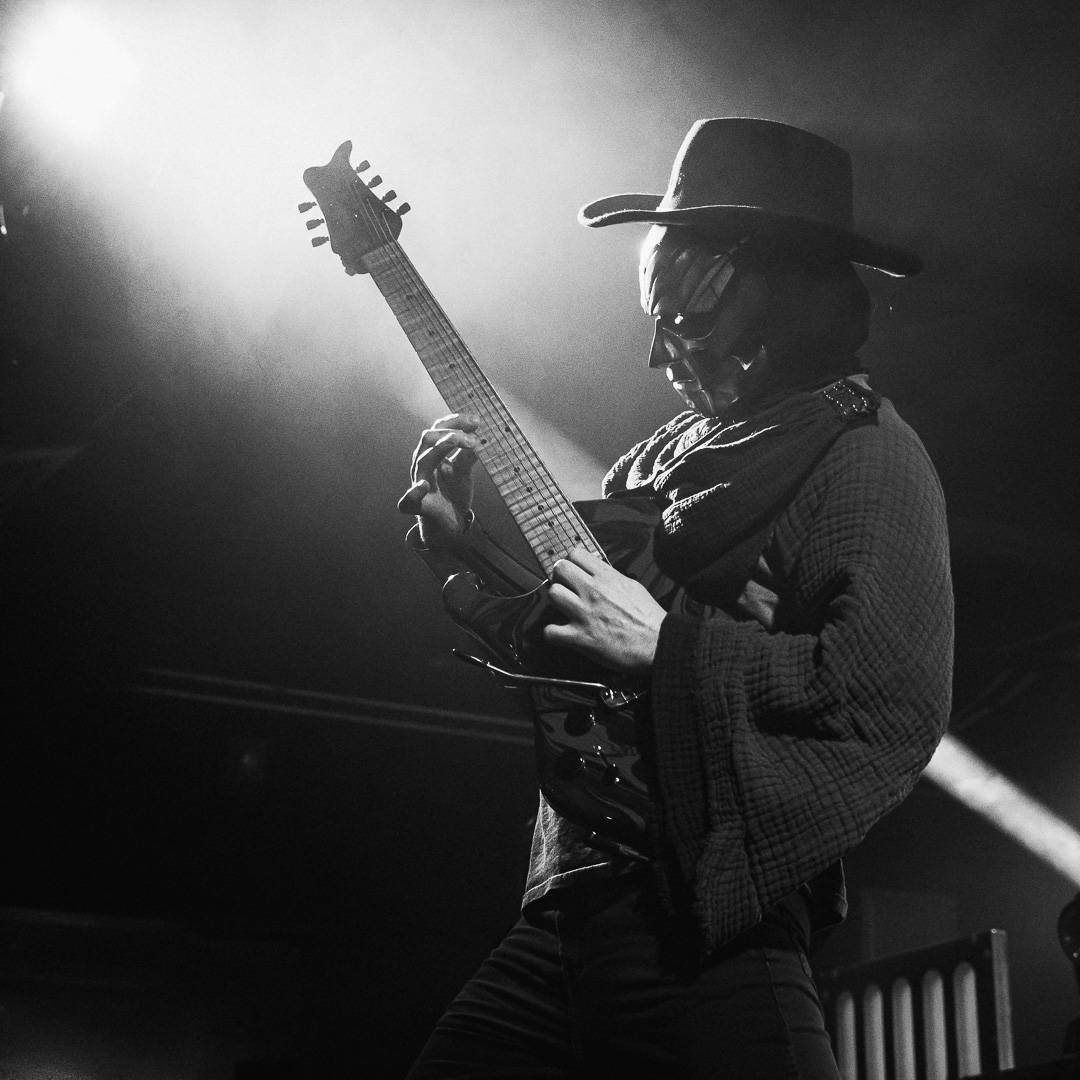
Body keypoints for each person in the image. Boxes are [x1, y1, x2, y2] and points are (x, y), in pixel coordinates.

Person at [400, 118, 953, 1079]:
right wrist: (470, 553)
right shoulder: (658, 461)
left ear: (776, 300)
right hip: (565, 910)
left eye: (685, 322)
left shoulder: (866, 456)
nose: (660, 356)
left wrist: (668, 654)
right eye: (654, 320)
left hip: (703, 927)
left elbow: (886, 695)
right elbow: (582, 654)